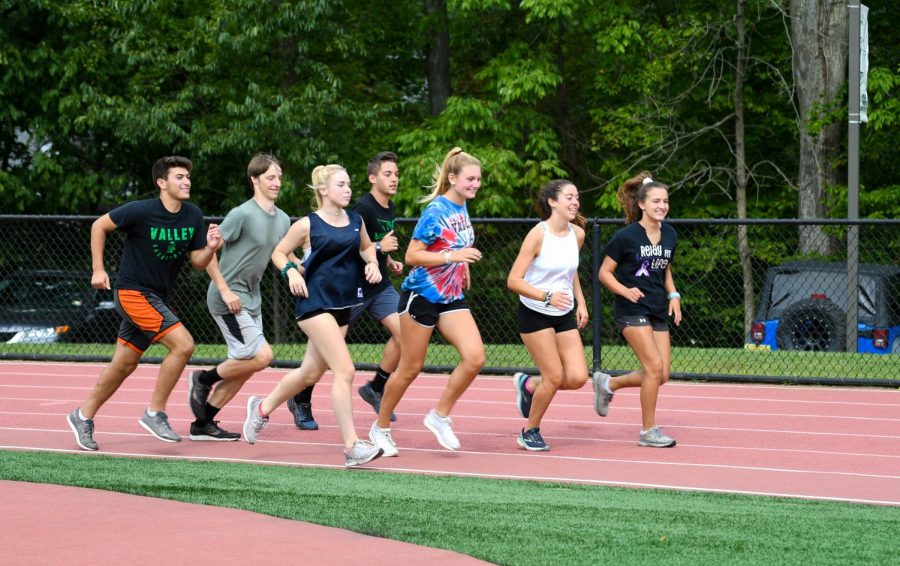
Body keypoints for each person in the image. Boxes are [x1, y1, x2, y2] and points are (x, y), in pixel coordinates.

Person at [66, 156, 223, 451]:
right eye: (179, 177)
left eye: (188, 176)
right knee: (184, 344)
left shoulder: (192, 216)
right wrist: (98, 269)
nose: (186, 181)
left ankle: (82, 415)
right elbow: (99, 226)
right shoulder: (140, 210)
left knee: (123, 364)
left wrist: (211, 247)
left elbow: (199, 263)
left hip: (157, 298)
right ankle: (155, 412)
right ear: (161, 183)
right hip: (132, 293)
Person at [243, 164, 384, 467]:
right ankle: (351, 446)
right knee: (345, 370)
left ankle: (262, 409)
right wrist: (291, 271)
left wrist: (371, 262)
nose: (348, 189)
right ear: (323, 190)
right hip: (314, 303)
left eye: (349, 184)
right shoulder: (308, 225)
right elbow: (278, 253)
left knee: (309, 374)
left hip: (343, 304)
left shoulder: (356, 221)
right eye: (341, 184)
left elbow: (367, 248)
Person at [368, 147, 484, 456]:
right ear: (453, 179)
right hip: (421, 296)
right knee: (409, 367)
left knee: (475, 358)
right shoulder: (437, 210)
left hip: (451, 296)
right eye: (470, 179)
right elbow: (411, 256)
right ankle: (380, 428)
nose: (476, 184)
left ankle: (439, 415)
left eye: (478, 179)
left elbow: (455, 241)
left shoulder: (461, 208)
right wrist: (453, 257)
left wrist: (463, 265)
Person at [187, 153, 298, 441]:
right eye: (271, 177)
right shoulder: (242, 214)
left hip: (252, 298)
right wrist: (225, 290)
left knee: (242, 368)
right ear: (255, 179)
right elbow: (208, 251)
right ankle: (203, 378)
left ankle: (202, 424)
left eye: (279, 177)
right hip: (228, 298)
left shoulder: (284, 219)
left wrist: (305, 268)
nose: (277, 183)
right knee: (262, 356)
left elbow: (286, 255)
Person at [289, 152, 404, 428]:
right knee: (323, 356)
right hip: (347, 290)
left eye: (396, 174)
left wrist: (386, 260)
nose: (394, 179)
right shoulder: (360, 209)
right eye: (388, 174)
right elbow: (345, 251)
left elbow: (367, 246)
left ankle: (376, 387)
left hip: (377, 285)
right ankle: (300, 399)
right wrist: (378, 249)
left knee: (407, 332)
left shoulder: (388, 209)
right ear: (372, 178)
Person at [596, 172, 682, 448]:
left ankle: (609, 384)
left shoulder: (670, 233)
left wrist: (674, 295)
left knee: (662, 375)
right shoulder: (626, 237)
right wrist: (624, 290)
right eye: (656, 201)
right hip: (631, 308)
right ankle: (648, 431)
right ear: (642, 204)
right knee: (653, 368)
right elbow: (604, 273)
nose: (662, 206)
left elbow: (665, 267)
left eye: (665, 201)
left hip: (657, 307)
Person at [506, 180, 589, 451]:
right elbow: (513, 280)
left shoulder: (577, 234)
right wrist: (545, 296)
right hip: (535, 312)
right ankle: (529, 431)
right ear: (553, 202)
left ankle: (529, 385)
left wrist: (581, 302)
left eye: (577, 197)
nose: (575, 202)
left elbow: (570, 270)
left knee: (577, 377)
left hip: (563, 312)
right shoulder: (538, 235)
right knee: (553, 376)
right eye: (569, 197)